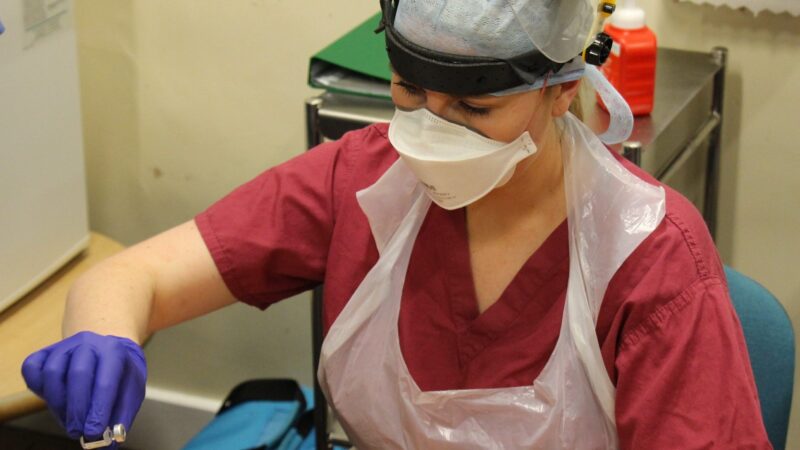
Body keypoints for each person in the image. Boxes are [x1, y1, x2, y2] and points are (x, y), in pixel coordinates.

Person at [22, 1, 771, 448]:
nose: (429, 132)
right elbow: (133, 277)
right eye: (410, 90)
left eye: (475, 109)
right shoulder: (363, 177)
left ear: (562, 93)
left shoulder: (647, 255)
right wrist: (102, 335)